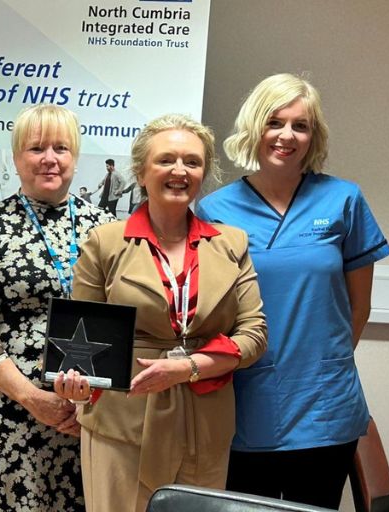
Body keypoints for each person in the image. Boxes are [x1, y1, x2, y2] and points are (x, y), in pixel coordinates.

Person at [196, 73, 389, 509]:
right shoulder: (215, 210)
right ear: (255, 127)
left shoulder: (343, 200)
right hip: (246, 400)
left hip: (326, 404)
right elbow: (213, 311)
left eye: (300, 125)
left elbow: (359, 307)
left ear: (312, 136)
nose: (286, 135)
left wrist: (324, 365)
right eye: (275, 122)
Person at [57, 114, 267, 512]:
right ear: (140, 172)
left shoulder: (232, 244)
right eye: (166, 160)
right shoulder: (104, 243)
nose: (179, 171)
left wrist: (187, 367)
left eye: (192, 162)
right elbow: (78, 338)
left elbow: (253, 334)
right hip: (121, 424)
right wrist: (73, 383)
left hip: (205, 424)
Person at [0, 104, 114, 511]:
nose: (49, 159)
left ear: (75, 156)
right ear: (16, 157)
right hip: (0, 410)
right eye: (36, 148)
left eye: (61, 148)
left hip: (78, 417)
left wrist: (86, 405)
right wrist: (32, 397)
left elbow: (115, 323)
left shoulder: (105, 228)